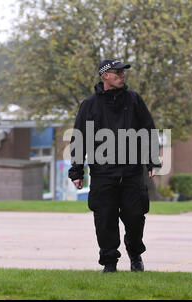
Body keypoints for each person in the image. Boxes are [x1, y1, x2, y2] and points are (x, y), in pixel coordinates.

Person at [68, 58, 161, 273]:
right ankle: (109, 264)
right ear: (104, 76)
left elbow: (148, 129)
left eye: (123, 72)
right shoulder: (89, 105)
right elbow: (79, 138)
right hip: (103, 174)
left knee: (135, 216)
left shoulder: (134, 100)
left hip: (131, 172)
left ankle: (135, 254)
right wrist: (77, 171)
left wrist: (152, 160)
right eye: (117, 72)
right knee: (105, 219)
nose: (122, 75)